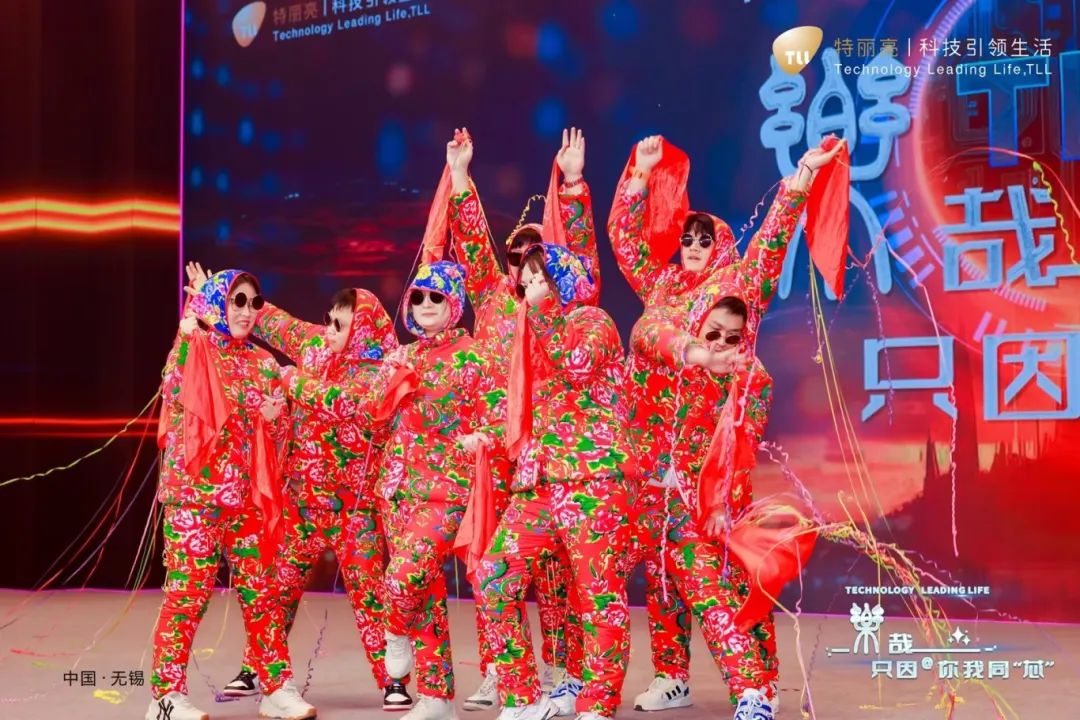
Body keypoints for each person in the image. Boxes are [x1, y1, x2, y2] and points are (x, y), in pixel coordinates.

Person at [618, 137, 845, 720]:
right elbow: (625, 244)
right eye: (687, 238)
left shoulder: (737, 287)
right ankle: (672, 676)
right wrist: (639, 178)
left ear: (719, 246)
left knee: (724, 576)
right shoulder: (662, 287)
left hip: (710, 471)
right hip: (654, 465)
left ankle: (757, 684)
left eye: (704, 239)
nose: (693, 247)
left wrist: (801, 177)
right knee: (663, 574)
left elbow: (771, 239)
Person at [283, 261, 495, 720]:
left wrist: (483, 438)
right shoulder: (402, 357)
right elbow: (366, 412)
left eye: (435, 297)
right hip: (396, 492)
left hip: (444, 491)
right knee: (426, 596)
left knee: (401, 583)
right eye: (417, 297)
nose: (424, 305)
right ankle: (436, 697)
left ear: (454, 302)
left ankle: (393, 633)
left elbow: (501, 416)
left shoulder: (474, 357)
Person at [195, 270, 413, 710]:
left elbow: (347, 405)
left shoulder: (381, 371)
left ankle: (393, 680)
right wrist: (220, 295)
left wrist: (292, 380)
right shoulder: (315, 345)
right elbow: (272, 320)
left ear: (362, 329)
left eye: (340, 324)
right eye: (328, 319)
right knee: (275, 590)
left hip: (354, 511)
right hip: (302, 503)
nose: (328, 329)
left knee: (370, 595)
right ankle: (258, 668)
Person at [443, 127, 598, 713]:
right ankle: (501, 673)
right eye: (516, 258)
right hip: (494, 456)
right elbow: (472, 241)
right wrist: (460, 177)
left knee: (558, 576)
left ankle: (563, 672)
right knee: (492, 566)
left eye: (535, 258)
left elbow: (580, 258)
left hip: (549, 457)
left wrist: (574, 184)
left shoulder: (569, 313)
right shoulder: (492, 301)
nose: (523, 267)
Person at [473, 243, 636, 720]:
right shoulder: (528, 336)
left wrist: (542, 311)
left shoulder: (594, 321)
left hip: (593, 480)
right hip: (539, 483)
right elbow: (522, 405)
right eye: (525, 281)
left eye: (539, 278)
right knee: (492, 579)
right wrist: (488, 434)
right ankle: (523, 698)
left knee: (598, 597)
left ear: (562, 279)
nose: (529, 288)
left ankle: (597, 704)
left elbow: (578, 364)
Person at [147, 268, 315, 720]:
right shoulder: (195, 346)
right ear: (218, 304)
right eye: (236, 300)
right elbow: (174, 388)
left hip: (246, 499)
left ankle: (276, 688)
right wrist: (190, 327)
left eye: (254, 302)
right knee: (188, 594)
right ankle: (165, 697)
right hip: (195, 497)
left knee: (263, 593)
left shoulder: (263, 363)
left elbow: (278, 438)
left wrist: (274, 420)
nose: (246, 311)